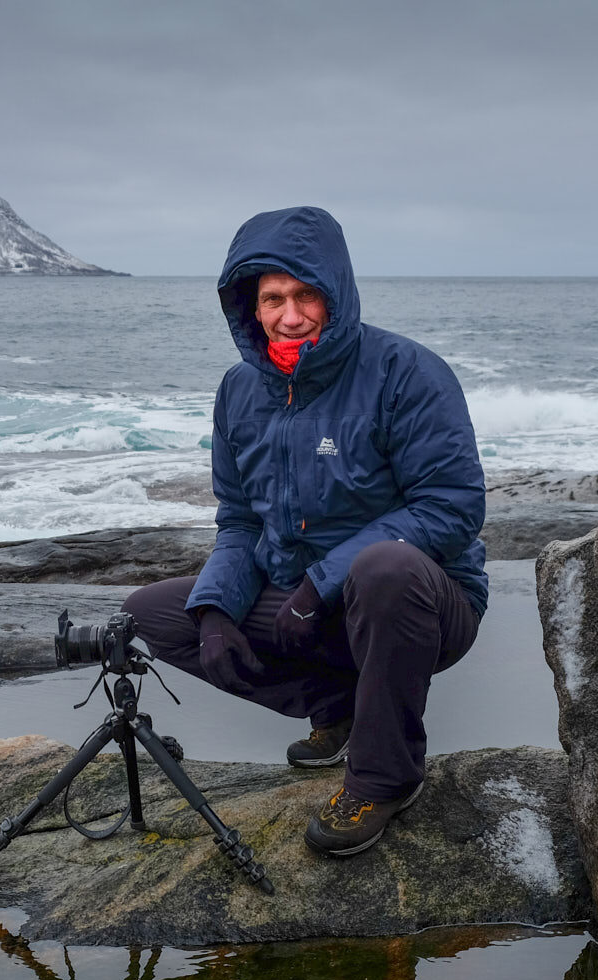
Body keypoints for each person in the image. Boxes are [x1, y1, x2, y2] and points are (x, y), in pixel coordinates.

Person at [122, 206, 487, 857]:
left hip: (422, 601)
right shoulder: (239, 391)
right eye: (272, 299)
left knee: (383, 570)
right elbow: (238, 520)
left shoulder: (407, 373)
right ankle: (341, 700)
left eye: (304, 293)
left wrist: (321, 584)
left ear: (334, 293)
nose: (290, 315)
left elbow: (451, 506)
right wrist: (216, 611)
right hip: (303, 604)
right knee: (152, 614)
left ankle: (384, 775)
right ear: (248, 307)